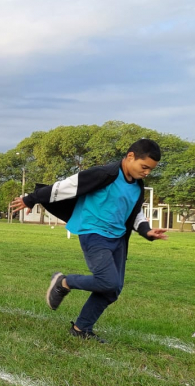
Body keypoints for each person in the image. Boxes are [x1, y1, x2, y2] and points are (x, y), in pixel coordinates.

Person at [10, 139, 168, 342]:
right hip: (93, 233)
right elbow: (67, 186)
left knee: (113, 289)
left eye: (150, 170)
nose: (147, 173)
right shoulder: (104, 174)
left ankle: (81, 329)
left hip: (118, 238)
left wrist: (147, 231)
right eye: (144, 167)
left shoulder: (137, 186)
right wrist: (31, 198)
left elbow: (135, 213)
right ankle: (63, 282)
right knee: (107, 281)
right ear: (130, 157)